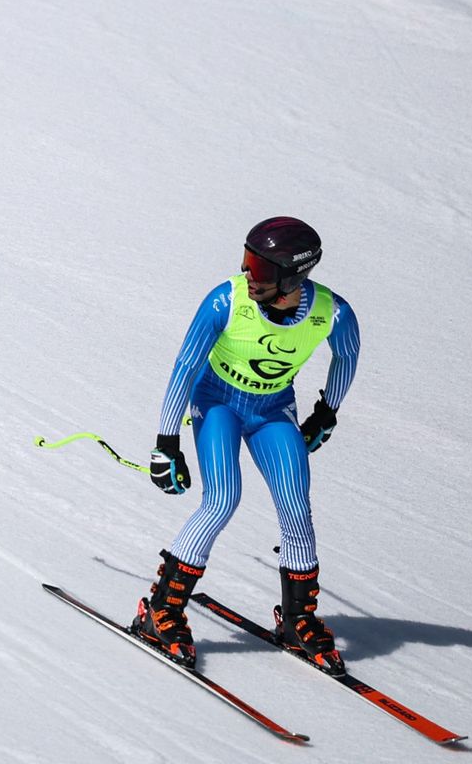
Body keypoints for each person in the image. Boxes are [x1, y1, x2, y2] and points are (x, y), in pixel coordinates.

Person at [128, 217, 360, 675]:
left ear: (292, 277)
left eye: (261, 267)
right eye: (247, 260)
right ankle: (160, 611)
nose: (248, 273)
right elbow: (186, 366)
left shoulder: (332, 313)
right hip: (219, 404)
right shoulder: (226, 301)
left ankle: (297, 620)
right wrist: (165, 442)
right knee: (222, 499)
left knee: (296, 504)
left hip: (272, 411)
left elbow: (347, 355)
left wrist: (326, 412)